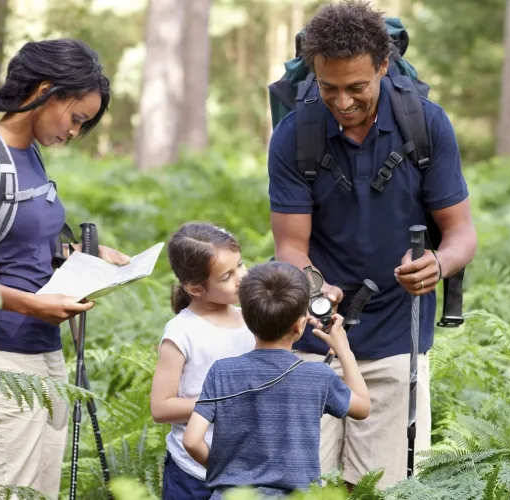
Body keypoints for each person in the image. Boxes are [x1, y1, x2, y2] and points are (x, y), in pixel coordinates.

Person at [267, 0, 477, 489]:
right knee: (304, 487)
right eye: (329, 87)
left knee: (382, 489)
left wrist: (438, 265)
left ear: (383, 66)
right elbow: (290, 248)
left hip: (396, 338)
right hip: (312, 339)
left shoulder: (425, 124)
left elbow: (462, 232)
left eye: (357, 87)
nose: (342, 101)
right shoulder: (295, 133)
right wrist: (317, 287)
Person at [0, 39, 130, 498]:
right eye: (76, 118)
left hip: (45, 351)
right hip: (1, 354)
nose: (75, 133)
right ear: (45, 90)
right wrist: (35, 306)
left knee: (42, 492)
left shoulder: (32, 154)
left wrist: (92, 257)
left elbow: (27, 245)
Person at [182, 261, 370, 499]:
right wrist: (344, 350)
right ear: (300, 326)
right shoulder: (317, 376)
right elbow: (362, 407)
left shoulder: (222, 371)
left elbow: (191, 440)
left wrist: (227, 474)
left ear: (248, 321)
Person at [150, 222, 256, 500]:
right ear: (195, 289)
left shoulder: (251, 320)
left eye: (241, 265)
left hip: (247, 470)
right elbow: (161, 408)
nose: (241, 278)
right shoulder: (182, 332)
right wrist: (225, 402)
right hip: (192, 476)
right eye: (226, 276)